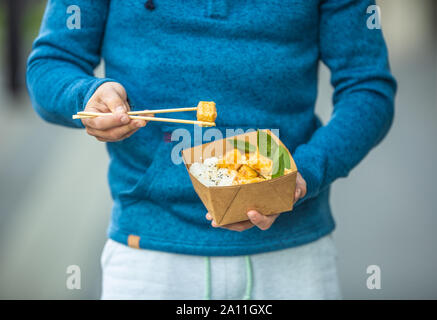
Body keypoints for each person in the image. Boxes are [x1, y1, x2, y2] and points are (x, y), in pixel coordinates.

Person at [27, 0, 396, 299]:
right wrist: (85, 96)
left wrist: (305, 172)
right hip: (149, 256)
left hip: (295, 256)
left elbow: (368, 86)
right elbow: (52, 62)